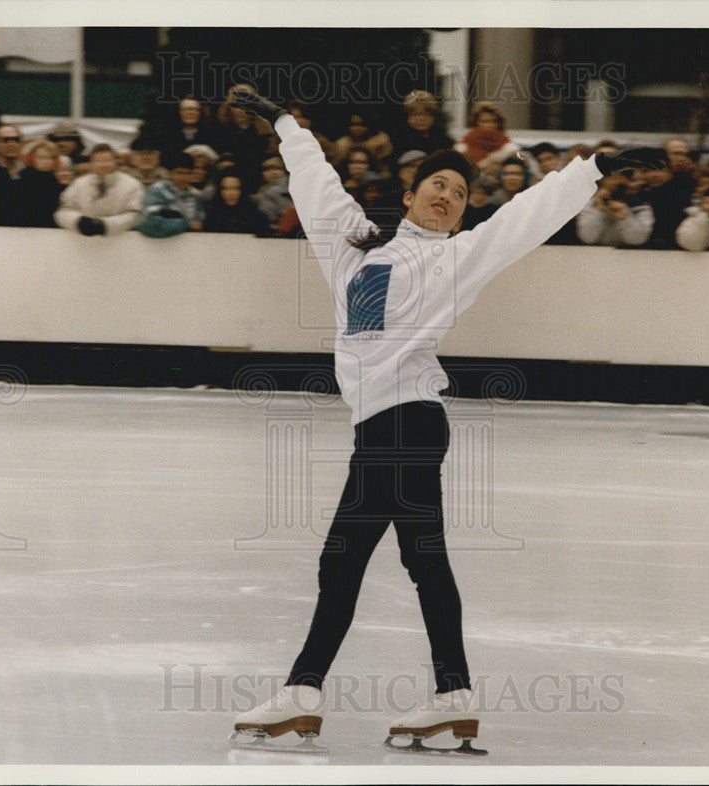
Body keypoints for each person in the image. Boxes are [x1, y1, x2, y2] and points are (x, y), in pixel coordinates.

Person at [225, 89, 667, 754]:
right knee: (398, 559)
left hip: (408, 419)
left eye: (458, 193)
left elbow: (528, 215)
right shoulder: (353, 252)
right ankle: (423, 695)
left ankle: (315, 692)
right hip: (383, 426)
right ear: (409, 194)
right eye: (437, 184)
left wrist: (594, 167)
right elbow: (316, 185)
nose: (446, 196)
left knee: (358, 560)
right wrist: (283, 121)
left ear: (463, 212)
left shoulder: (459, 258)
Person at [54, 143, 144, 236]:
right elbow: (63, 211)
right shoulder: (78, 184)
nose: (103, 165)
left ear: (115, 162)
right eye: (98, 160)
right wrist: (78, 222)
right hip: (82, 242)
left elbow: (136, 215)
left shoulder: (132, 185)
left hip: (120, 242)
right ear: (91, 164)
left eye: (107, 160)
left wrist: (106, 225)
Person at [138, 151, 206, 238]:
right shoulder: (157, 192)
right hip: (158, 246)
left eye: (188, 173)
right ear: (169, 173)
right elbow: (150, 224)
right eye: (179, 173)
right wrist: (186, 224)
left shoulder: (193, 196)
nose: (183, 178)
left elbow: (199, 223)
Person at [576, 172, 654, 247]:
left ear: (629, 182)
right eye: (610, 178)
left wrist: (625, 218)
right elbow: (587, 238)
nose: (615, 182)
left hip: (629, 255)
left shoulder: (640, 205)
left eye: (620, 177)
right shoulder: (591, 203)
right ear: (602, 180)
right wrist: (599, 210)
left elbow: (638, 240)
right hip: (595, 254)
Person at [454, 101, 521, 176]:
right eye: (484, 121)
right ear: (476, 123)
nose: (489, 125)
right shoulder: (462, 148)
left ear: (499, 124)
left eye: (493, 121)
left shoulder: (509, 150)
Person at [202, 166, 271, 236]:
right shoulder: (211, 212)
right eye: (225, 189)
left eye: (235, 188)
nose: (230, 193)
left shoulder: (255, 214)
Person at [16, 139, 64, 228]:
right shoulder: (23, 177)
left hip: (53, 227)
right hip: (26, 227)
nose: (46, 161)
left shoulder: (59, 178)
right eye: (41, 157)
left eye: (50, 158)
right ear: (32, 158)